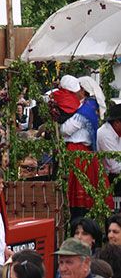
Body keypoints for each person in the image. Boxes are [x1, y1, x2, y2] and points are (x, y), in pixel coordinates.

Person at [57, 75, 111, 219]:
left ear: (84, 92)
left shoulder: (85, 110)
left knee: (80, 189)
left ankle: (80, 221)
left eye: (79, 89)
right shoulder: (83, 107)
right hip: (80, 152)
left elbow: (66, 130)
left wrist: (59, 120)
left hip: (78, 152)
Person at [97, 104, 121, 199]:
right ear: (117, 122)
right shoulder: (105, 134)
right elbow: (115, 166)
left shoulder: (117, 132)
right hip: (109, 178)